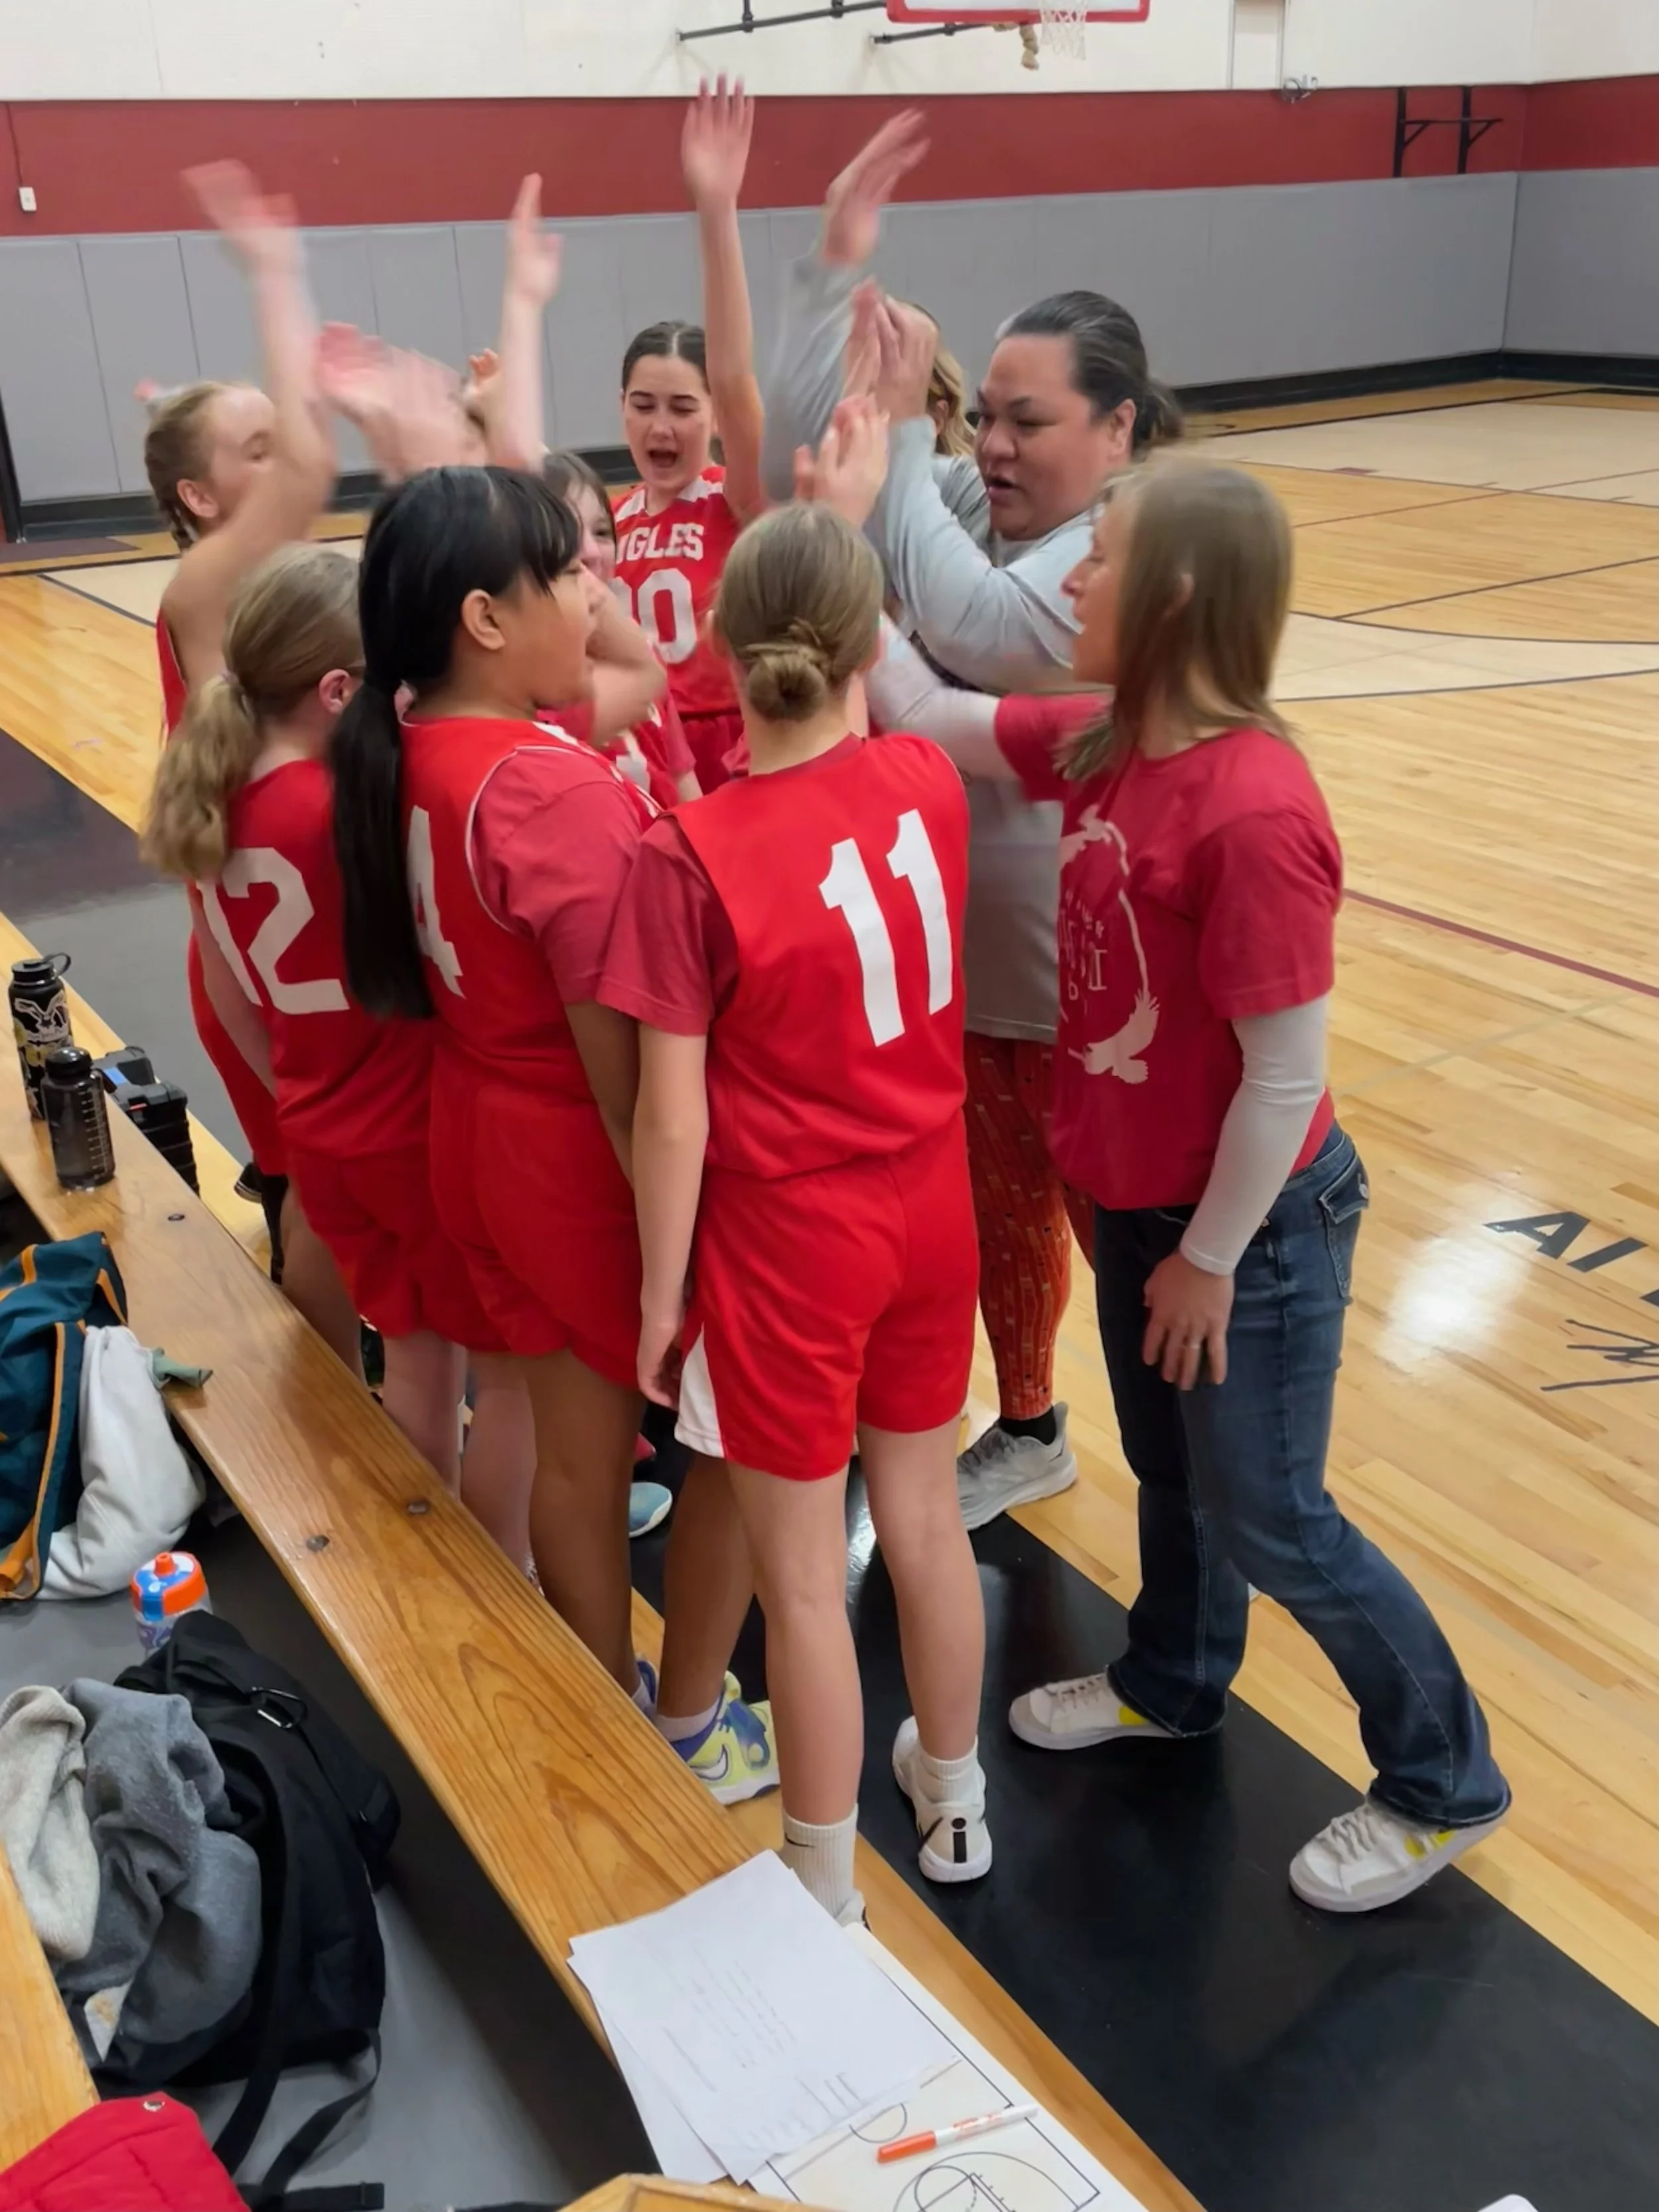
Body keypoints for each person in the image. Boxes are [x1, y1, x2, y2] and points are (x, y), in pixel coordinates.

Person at [855, 447, 1511, 1913]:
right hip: (1155, 1211)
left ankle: (1440, 1778)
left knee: (1275, 1515)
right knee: (1171, 1469)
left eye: (1102, 554)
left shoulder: (1252, 809)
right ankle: (1172, 1679)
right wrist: (861, 484)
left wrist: (1207, 1255)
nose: (1071, 576)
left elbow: (1281, 1080)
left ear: (1178, 593)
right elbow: (919, 709)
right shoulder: (1106, 737)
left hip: (1253, 1224)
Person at [328, 465, 774, 1795]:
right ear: (481, 616)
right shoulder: (546, 789)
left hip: (474, 1127)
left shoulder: (416, 746)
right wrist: (677, 1245)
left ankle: (605, 1695)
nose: (593, 591)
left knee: (567, 1461)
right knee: (671, 1455)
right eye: (566, 573)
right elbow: (623, 1069)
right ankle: (659, 1725)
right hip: (568, 1153)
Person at [764, 115, 1183, 1530]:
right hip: (969, 974)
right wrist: (831, 272)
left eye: (1027, 420)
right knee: (1002, 1229)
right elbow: (794, 467)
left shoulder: (1115, 558)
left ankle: (1191, 1500)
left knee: (1116, 1256)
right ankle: (1029, 1424)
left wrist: (880, 473)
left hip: (1090, 998)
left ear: (1116, 429)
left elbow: (970, 631)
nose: (989, 443)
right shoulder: (965, 506)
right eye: (982, 415)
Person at [602, 490, 990, 1924]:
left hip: (792, 1240)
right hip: (927, 1201)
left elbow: (671, 1111)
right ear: (861, 643)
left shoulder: (686, 853)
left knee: (803, 1580)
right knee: (927, 1517)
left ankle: (821, 1887)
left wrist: (658, 1297)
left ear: (715, 636)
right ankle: (952, 1805)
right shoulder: (924, 782)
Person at [140, 544, 536, 1556]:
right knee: (512, 1381)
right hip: (418, 1139)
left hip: (322, 1138)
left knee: (412, 1363)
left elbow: (231, 999)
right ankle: (503, 1585)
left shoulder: (215, 811)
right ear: (335, 690)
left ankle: (420, 1557)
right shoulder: (350, 812)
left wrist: (307, 1095)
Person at [141, 161, 360, 1369]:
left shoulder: (246, 597)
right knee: (311, 1202)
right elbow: (322, 465)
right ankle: (334, 1430)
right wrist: (277, 274)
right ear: (199, 492)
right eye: (254, 449)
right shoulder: (205, 580)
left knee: (314, 1195)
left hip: (253, 948)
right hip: (255, 965)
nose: (280, 464)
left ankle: (346, 1395)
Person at [612, 78, 766, 792]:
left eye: (682, 406)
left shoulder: (733, 500)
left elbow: (739, 389)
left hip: (731, 736)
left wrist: (717, 211)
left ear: (712, 415)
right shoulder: (608, 523)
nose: (661, 425)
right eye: (643, 405)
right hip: (644, 740)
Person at [545, 449, 701, 806]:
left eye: (602, 532)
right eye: (564, 532)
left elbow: (684, 783)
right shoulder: (529, 686)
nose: (589, 552)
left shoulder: (640, 649)